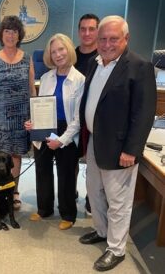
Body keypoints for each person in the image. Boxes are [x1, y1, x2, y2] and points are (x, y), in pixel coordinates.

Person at [78, 15, 156, 271]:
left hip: (119, 148)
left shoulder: (139, 66)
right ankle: (101, 231)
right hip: (94, 142)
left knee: (119, 201)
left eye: (113, 39)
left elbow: (143, 113)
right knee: (95, 192)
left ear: (126, 39)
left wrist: (131, 150)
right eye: (103, 39)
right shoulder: (94, 63)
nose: (107, 44)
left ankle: (116, 249)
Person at [25, 33, 85, 230]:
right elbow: (41, 106)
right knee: (42, 169)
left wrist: (62, 140)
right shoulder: (46, 77)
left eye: (61, 49)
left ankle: (68, 213)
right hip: (46, 127)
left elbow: (78, 119)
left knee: (66, 173)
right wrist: (32, 123)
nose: (58, 54)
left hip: (67, 130)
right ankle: (45, 209)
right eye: (53, 51)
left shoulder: (79, 80)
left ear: (68, 50)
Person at [0, 15, 36, 210]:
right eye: (7, 31)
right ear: (2, 34)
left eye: (14, 31)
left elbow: (32, 90)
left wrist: (35, 118)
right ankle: (0, 190)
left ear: (19, 35)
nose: (11, 35)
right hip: (1, 118)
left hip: (22, 119)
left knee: (16, 156)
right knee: (2, 158)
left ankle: (14, 192)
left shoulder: (27, 59)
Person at [75, 13, 100, 216]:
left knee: (93, 164)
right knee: (70, 161)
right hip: (74, 119)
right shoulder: (71, 56)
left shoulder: (104, 57)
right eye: (83, 29)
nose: (87, 33)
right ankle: (70, 191)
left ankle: (92, 200)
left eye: (92, 29)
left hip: (95, 120)